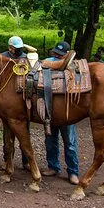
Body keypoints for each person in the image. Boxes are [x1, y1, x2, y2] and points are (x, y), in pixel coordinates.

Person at [42, 41, 80, 185]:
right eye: (56, 53)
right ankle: (53, 166)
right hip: (50, 110)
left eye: (60, 55)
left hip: (67, 112)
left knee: (70, 143)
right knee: (50, 141)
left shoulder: (72, 66)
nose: (57, 56)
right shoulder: (47, 61)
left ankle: (73, 171)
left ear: (66, 54)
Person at [0, 35, 30, 169]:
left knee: (25, 133)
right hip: (8, 99)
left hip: (22, 99)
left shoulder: (25, 58)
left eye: (20, 48)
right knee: (7, 134)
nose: (18, 50)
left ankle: (26, 161)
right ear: (10, 48)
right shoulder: (2, 58)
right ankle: (7, 160)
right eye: (16, 48)